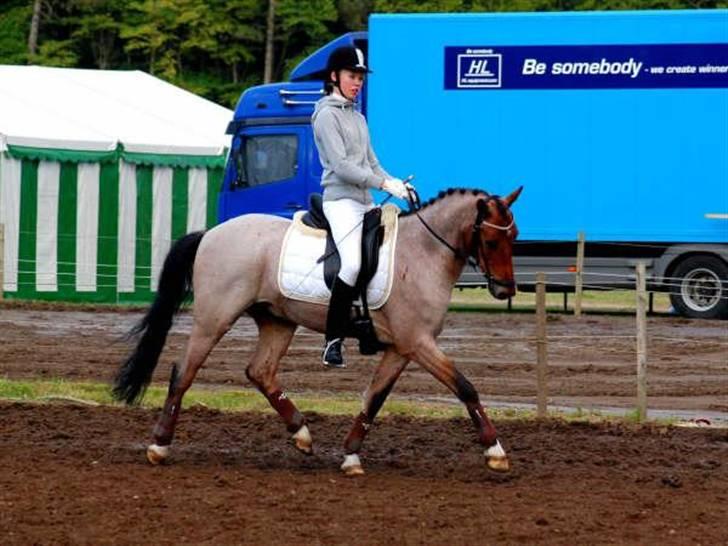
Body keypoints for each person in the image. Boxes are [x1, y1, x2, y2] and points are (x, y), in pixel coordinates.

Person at [311, 45, 410, 368]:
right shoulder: (326, 115)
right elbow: (341, 166)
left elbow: (371, 162)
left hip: (365, 202)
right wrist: (382, 185)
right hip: (340, 201)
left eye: (360, 78)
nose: (358, 82)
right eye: (353, 76)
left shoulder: (358, 116)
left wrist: (396, 183)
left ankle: (372, 326)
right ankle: (333, 340)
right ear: (334, 77)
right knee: (352, 264)